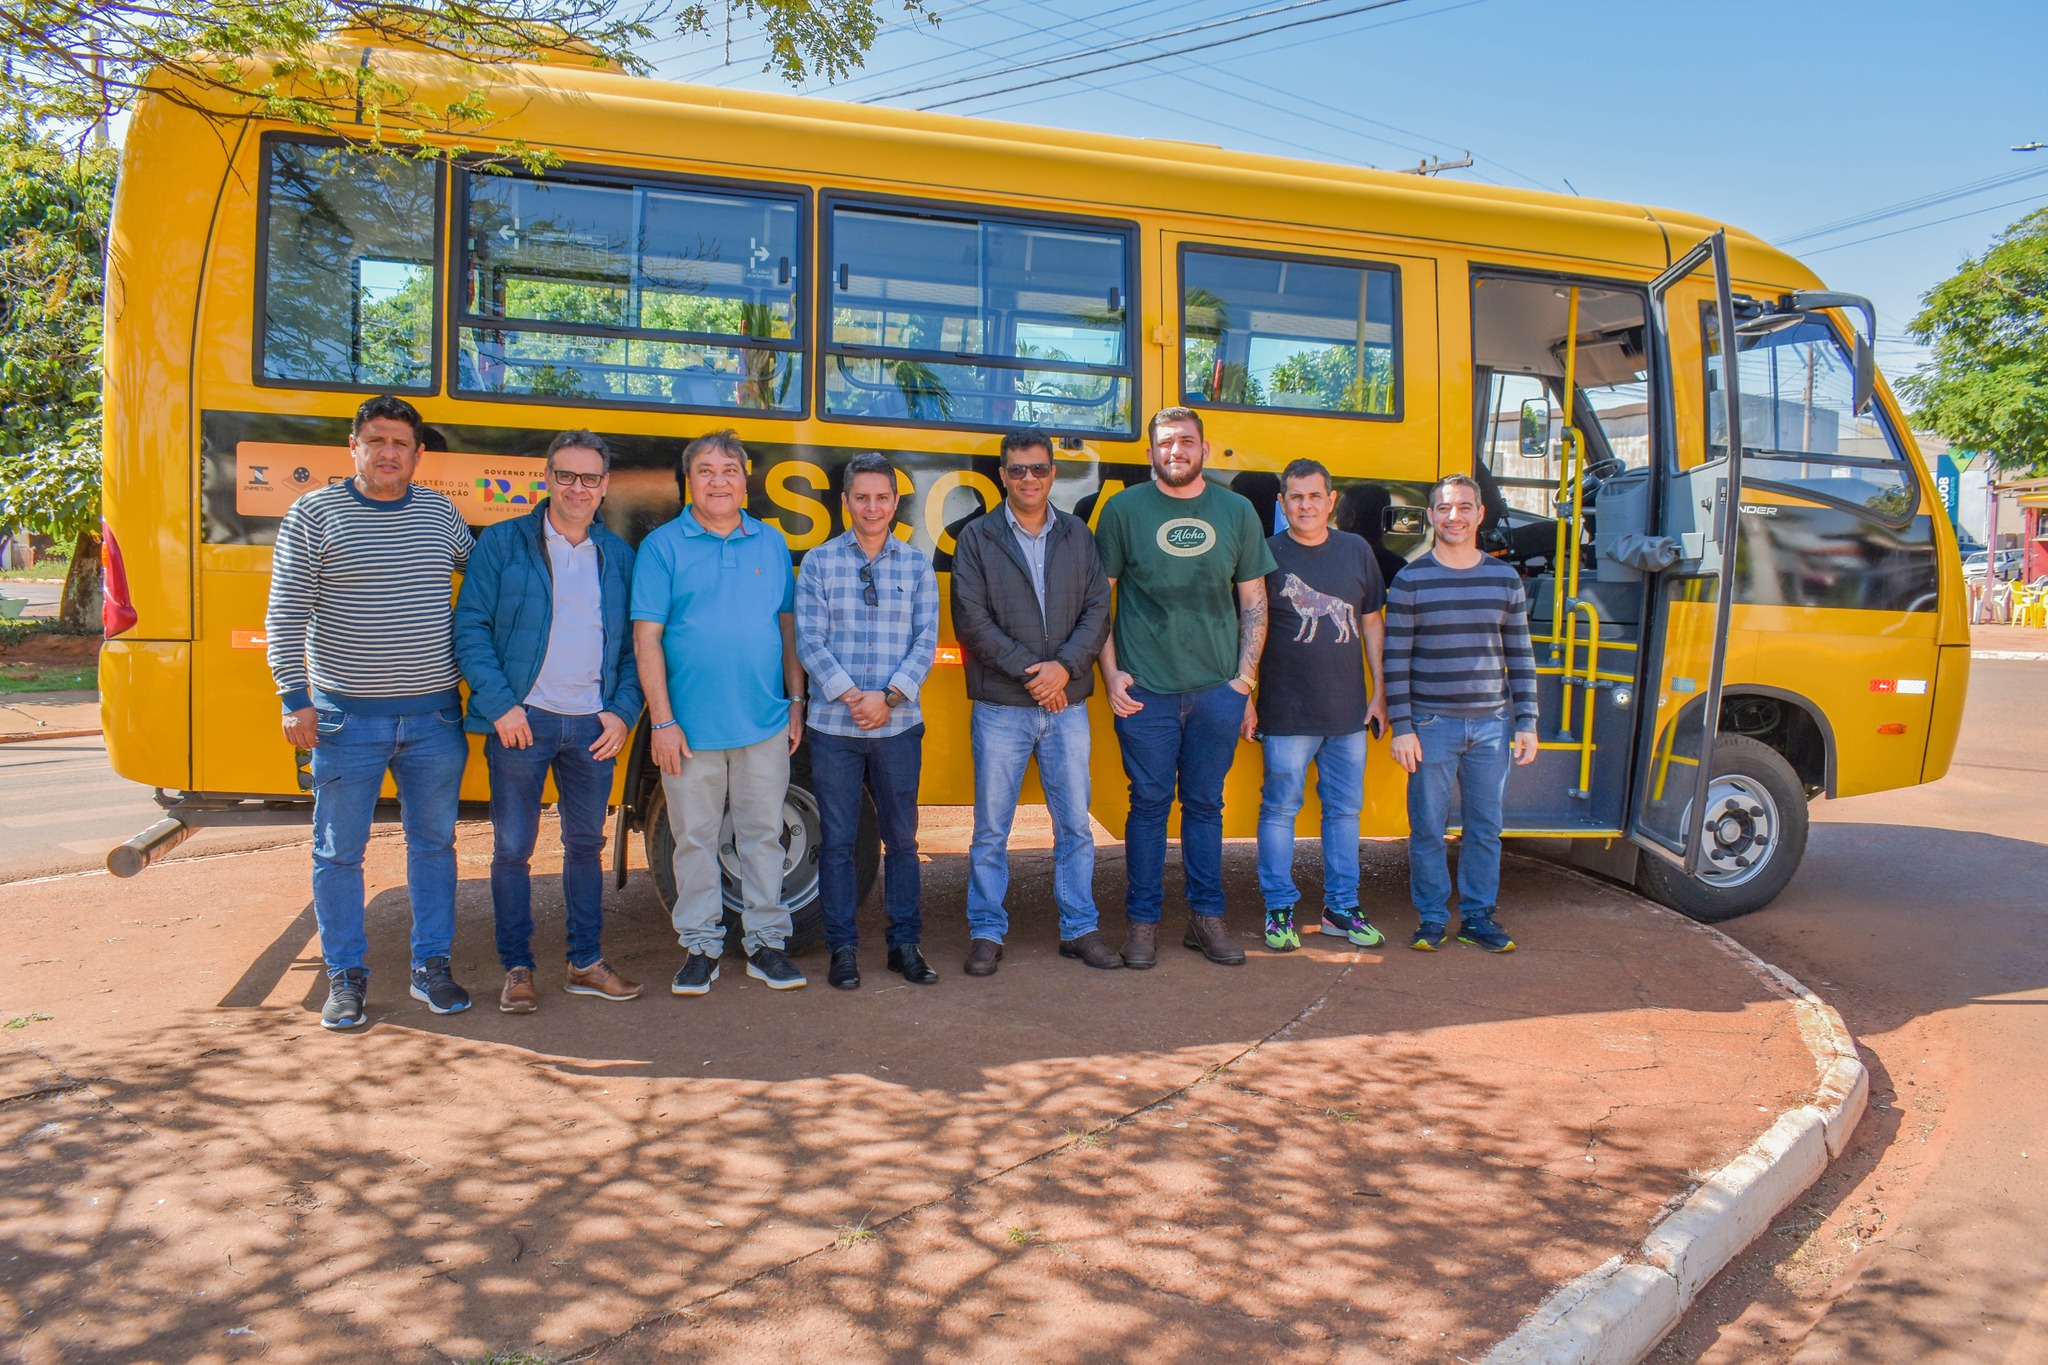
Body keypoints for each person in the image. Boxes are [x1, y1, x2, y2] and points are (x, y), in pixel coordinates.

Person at [267, 395, 475, 1031]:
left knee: (434, 846)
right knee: (338, 853)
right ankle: (346, 976)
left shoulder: (440, 512)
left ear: (418, 455)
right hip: (343, 720)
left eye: (401, 444)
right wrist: (294, 698)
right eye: (377, 441)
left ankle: (431, 968)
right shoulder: (313, 514)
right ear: (352, 448)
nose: (389, 453)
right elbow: (284, 615)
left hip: (435, 719)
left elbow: (487, 572)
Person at [453, 430, 645, 1014]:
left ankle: (584, 961)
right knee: (513, 850)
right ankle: (517, 969)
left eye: (589, 478)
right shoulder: (504, 544)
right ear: (547, 479)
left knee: (585, 847)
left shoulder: (618, 556)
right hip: (522, 724)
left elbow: (637, 647)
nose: (577, 488)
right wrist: (501, 705)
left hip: (591, 728)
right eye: (566, 476)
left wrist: (622, 712)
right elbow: (471, 629)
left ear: (605, 486)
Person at [1096, 407, 1276, 968]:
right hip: (1145, 691)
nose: (1177, 450)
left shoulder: (1237, 510)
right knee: (1148, 806)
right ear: (1151, 452)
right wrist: (1111, 674)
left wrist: (1244, 681)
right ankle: (1143, 924)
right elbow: (1099, 601)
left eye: (1187, 441)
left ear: (1204, 448)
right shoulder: (1123, 511)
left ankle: (1207, 919)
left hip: (1216, 691)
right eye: (1167, 442)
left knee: (1205, 805)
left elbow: (1254, 600)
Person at [631, 430, 809, 995]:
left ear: (745, 478)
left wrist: (796, 701)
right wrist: (661, 720)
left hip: (764, 721)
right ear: (690, 480)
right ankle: (700, 948)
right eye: (705, 470)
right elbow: (646, 638)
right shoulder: (662, 546)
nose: (718, 480)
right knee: (694, 842)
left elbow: (787, 629)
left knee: (762, 837)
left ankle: (765, 945)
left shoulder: (771, 543)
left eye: (728, 470)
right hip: (688, 732)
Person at [950, 428, 1116, 975]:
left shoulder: (1077, 536)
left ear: (1053, 473)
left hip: (1065, 707)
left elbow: (1098, 610)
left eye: (1039, 469)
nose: (1028, 478)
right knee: (991, 829)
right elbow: (971, 620)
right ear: (1002, 474)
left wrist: (1064, 669)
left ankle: (1080, 928)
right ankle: (986, 931)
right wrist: (1036, 673)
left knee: (1074, 826)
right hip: (1002, 707)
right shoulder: (976, 538)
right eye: (1017, 469)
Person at [797, 452, 941, 991]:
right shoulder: (819, 562)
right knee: (837, 841)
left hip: (898, 727)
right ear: (845, 502)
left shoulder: (915, 564)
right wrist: (856, 697)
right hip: (834, 729)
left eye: (882, 497)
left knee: (902, 840)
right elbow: (810, 642)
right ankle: (843, 949)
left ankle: (905, 944)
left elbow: (926, 641)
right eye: (862, 497)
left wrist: (890, 697)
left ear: (895, 502)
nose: (872, 507)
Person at [1384, 473, 1540, 953]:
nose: (1454, 516)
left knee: (1485, 830)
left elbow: (1520, 653)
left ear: (1479, 514)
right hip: (1431, 726)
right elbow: (1396, 660)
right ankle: (1431, 918)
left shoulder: (1503, 578)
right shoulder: (1411, 579)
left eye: (1464, 507)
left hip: (1493, 726)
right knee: (1427, 828)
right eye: (1445, 508)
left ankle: (1477, 918)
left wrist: (1527, 720)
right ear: (1431, 516)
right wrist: (1403, 728)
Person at [1242, 458, 1388, 952]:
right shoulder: (1263, 554)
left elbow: (1370, 622)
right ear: (1282, 504)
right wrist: (1245, 696)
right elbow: (1248, 628)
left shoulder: (1357, 551)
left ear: (1331, 500)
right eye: (1295, 497)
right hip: (1286, 712)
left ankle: (1340, 909)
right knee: (1280, 808)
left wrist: (1380, 691)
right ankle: (1279, 908)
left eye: (1315, 496)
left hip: (1348, 713)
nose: (1306, 505)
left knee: (1344, 812)